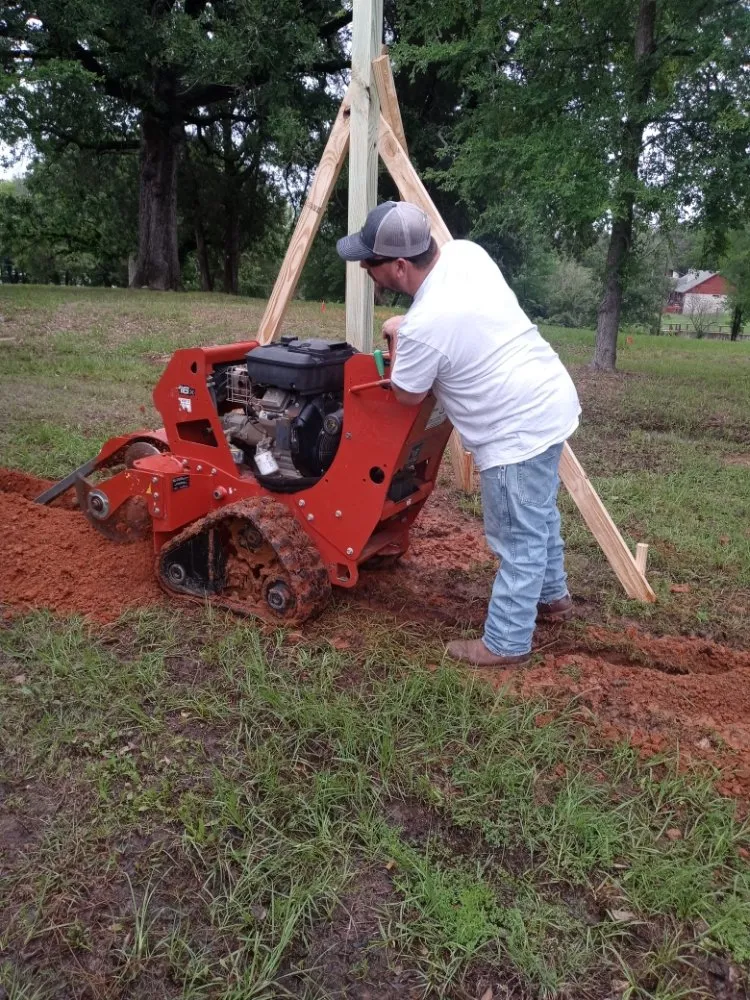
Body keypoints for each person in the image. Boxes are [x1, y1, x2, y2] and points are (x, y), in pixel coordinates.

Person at [337, 200, 581, 667]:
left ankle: (506, 642)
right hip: (550, 400)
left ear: (400, 266)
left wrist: (399, 333)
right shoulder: (466, 254)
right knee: (538, 512)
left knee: (518, 537)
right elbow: (456, 318)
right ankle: (553, 598)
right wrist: (410, 326)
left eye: (370, 262)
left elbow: (407, 393)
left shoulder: (424, 327)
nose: (365, 269)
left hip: (513, 430)